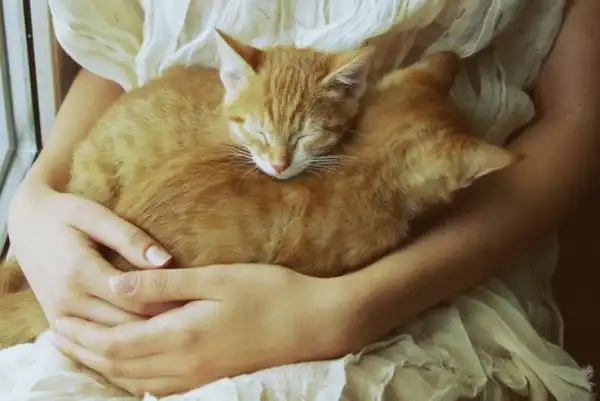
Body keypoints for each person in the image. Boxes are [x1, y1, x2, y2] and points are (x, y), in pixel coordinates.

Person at [6, 0, 598, 399]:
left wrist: (346, 312)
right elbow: (117, 54)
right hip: (134, 203)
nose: (279, 163)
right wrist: (34, 197)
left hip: (438, 264)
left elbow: (579, 116)